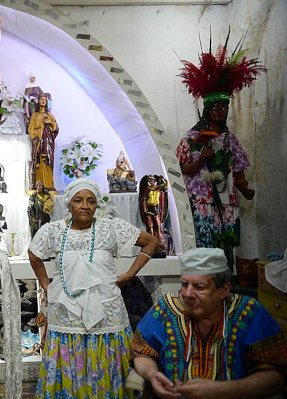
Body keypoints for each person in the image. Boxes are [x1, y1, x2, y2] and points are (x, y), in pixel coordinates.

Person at [28, 178, 159, 398]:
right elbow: (34, 253)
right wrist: (46, 285)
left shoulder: (111, 227)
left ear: (97, 204)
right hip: (66, 315)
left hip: (107, 315)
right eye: (78, 200)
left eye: (90, 201)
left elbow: (151, 242)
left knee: (109, 367)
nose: (85, 206)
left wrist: (129, 274)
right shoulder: (54, 230)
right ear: (69, 204)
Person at [131, 247, 286, 399]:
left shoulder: (249, 312)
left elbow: (276, 377)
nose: (187, 294)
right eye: (184, 284)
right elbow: (141, 351)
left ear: (224, 290)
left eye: (199, 287)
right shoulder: (166, 309)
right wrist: (152, 375)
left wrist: (220, 391)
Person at [177, 39, 263, 270]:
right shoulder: (190, 138)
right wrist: (201, 160)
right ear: (206, 109)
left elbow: (239, 169)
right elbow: (179, 170)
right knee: (205, 244)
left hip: (227, 200)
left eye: (224, 108)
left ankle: (227, 282)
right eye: (216, 107)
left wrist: (244, 188)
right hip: (202, 201)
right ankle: (205, 281)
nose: (220, 111)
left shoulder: (229, 138)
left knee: (228, 243)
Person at [27, 94, 58, 192]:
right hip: (38, 141)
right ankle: (37, 184)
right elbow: (30, 128)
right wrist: (34, 137)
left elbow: (56, 128)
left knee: (47, 160)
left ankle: (48, 184)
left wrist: (50, 123)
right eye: (41, 99)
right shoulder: (35, 115)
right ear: (38, 101)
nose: (43, 101)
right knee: (38, 161)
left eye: (45, 100)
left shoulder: (50, 115)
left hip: (48, 141)